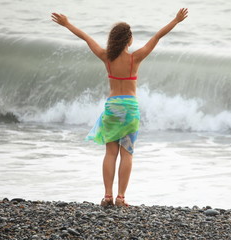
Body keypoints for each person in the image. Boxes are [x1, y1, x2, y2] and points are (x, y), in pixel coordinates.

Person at [51, 8, 188, 207]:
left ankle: (107, 196)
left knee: (110, 153)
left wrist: (67, 24)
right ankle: (121, 198)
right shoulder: (136, 58)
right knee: (127, 153)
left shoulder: (106, 57)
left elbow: (86, 37)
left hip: (113, 107)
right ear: (129, 40)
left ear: (114, 40)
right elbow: (157, 36)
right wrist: (176, 20)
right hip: (130, 109)